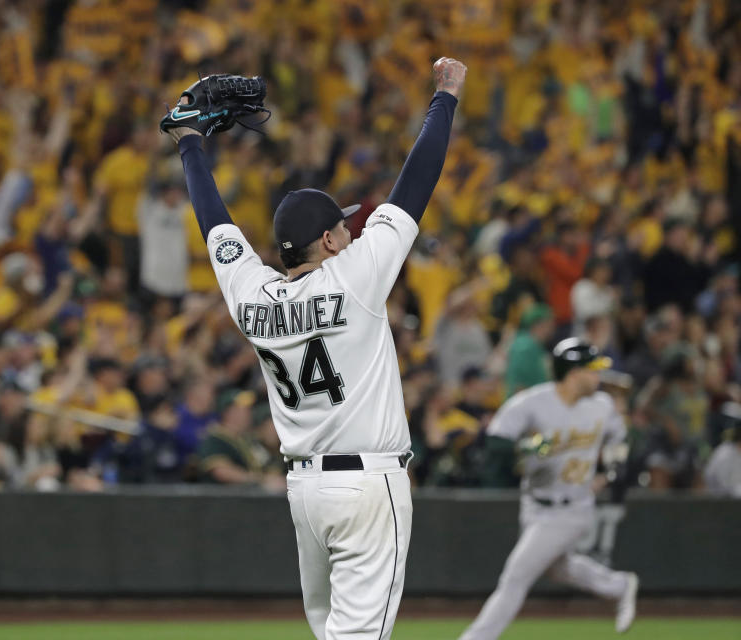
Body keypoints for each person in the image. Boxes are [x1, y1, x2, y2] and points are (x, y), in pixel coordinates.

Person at [164, 57, 465, 640]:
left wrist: (191, 142)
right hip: (367, 488)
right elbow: (415, 184)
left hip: (306, 494)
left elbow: (215, 226)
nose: (353, 233)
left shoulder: (252, 293)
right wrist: (445, 98)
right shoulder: (355, 277)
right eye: (345, 228)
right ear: (327, 240)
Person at [459, 339, 639, 640]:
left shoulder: (602, 406)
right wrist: (525, 447)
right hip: (534, 504)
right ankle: (619, 585)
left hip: (573, 507)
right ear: (573, 372)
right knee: (559, 568)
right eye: (592, 370)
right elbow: (495, 443)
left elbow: (619, 441)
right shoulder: (534, 403)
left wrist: (610, 470)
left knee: (515, 577)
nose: (598, 377)